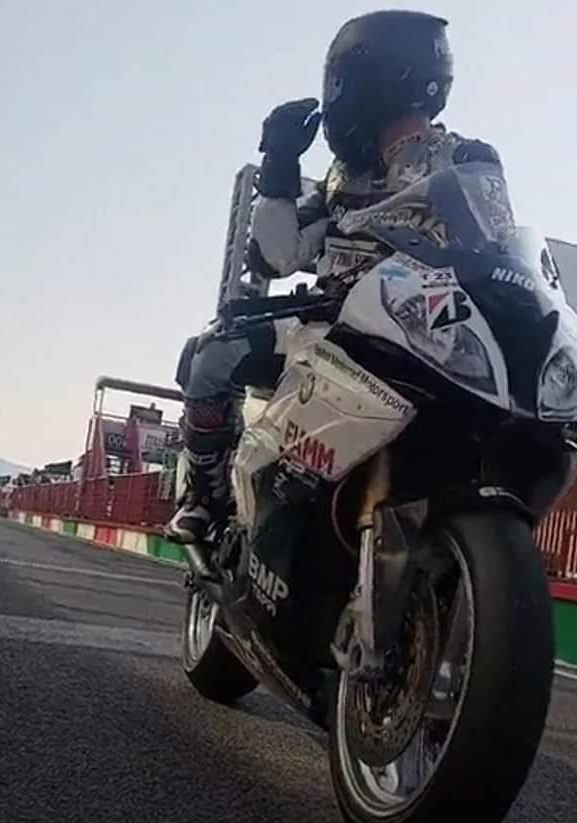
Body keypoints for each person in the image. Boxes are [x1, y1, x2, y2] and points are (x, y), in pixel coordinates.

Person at [167, 9, 504, 544]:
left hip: (431, 338)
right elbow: (278, 257)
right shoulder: (340, 179)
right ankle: (205, 498)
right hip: (331, 332)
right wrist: (278, 168)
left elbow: (499, 247)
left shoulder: (466, 160)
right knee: (210, 357)